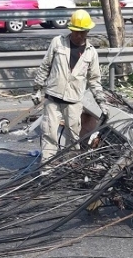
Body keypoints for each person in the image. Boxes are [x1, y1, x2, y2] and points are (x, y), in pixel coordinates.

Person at [32, 9, 108, 167]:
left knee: (74, 138)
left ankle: (70, 170)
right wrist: (37, 89)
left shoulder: (91, 53)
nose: (79, 35)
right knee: (49, 134)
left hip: (73, 101)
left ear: (88, 31)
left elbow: (94, 80)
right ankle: (47, 171)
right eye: (76, 32)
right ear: (71, 29)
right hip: (53, 97)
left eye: (82, 32)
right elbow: (45, 66)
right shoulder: (58, 43)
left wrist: (101, 102)